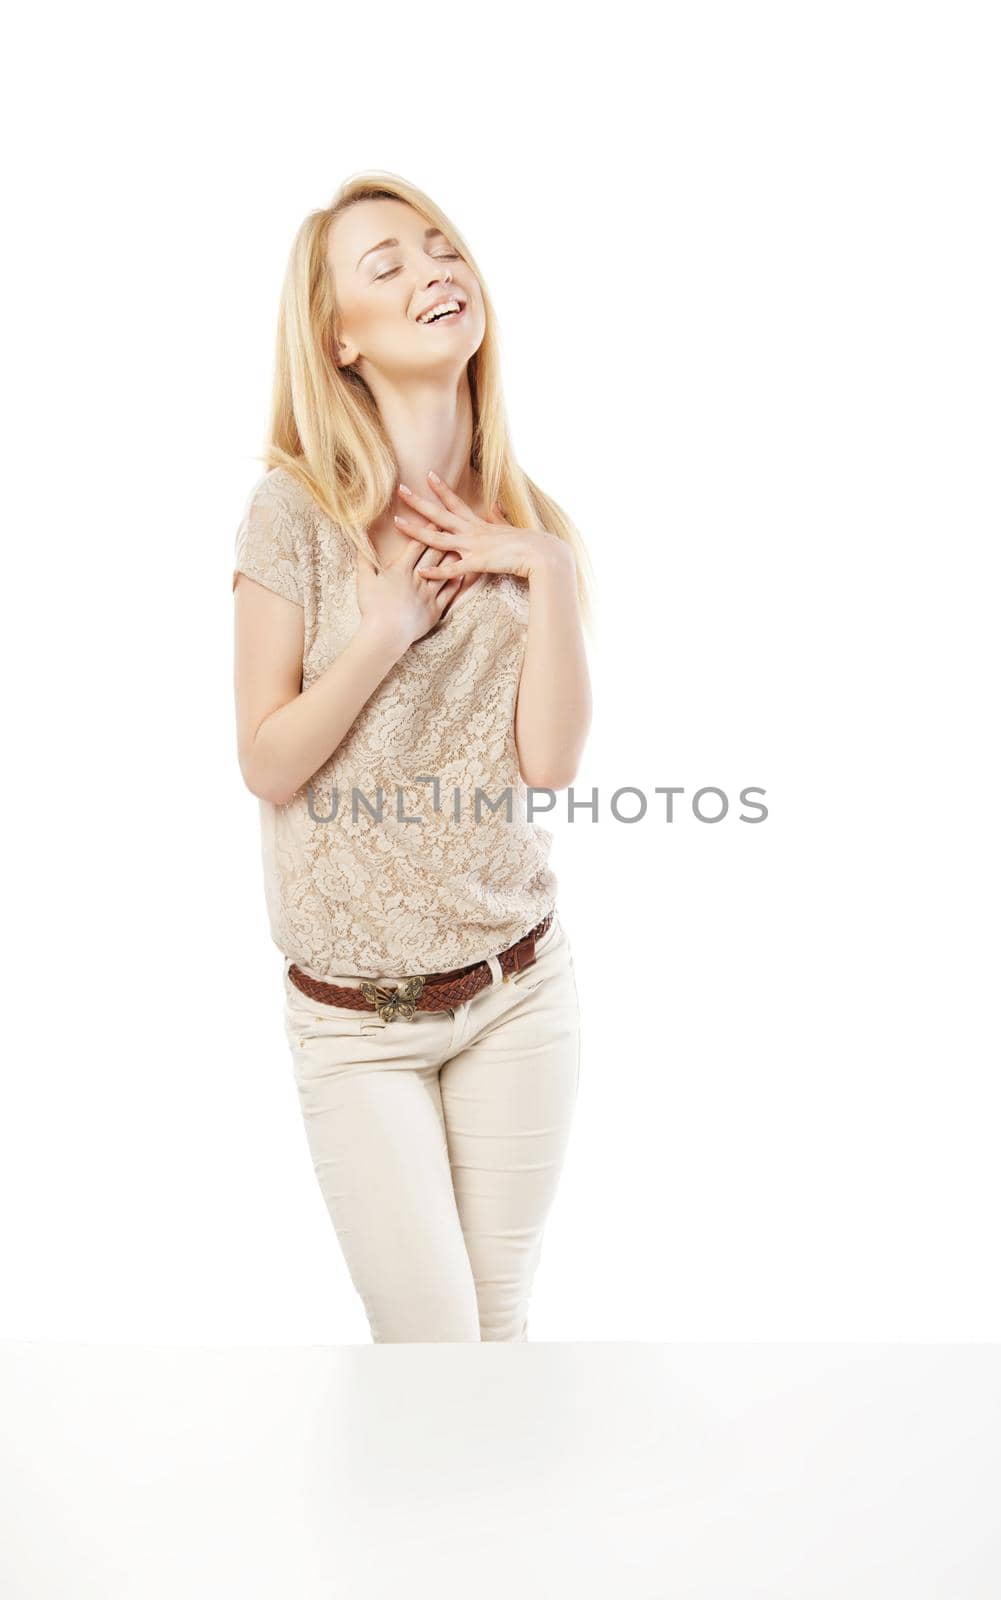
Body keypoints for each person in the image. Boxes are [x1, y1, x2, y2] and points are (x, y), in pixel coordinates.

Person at [231, 171, 595, 1343]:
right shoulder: (291, 514)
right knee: (431, 1355)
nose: (434, 271)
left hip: (516, 993)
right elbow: (267, 762)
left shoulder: (524, 518)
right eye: (387, 264)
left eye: (441, 250)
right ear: (340, 338)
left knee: (497, 1333)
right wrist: (383, 629)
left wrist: (545, 567)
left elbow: (546, 764)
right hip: (354, 1021)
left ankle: (511, 1538)